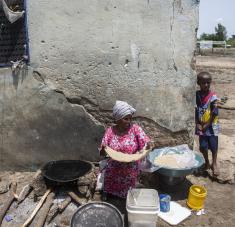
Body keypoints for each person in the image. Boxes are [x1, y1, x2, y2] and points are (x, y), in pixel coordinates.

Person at [99, 100, 152, 198]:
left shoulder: (135, 129)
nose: (129, 122)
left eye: (130, 119)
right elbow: (103, 152)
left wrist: (147, 145)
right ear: (117, 119)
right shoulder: (110, 131)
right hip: (114, 165)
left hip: (130, 166)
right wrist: (103, 149)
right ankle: (108, 192)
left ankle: (127, 198)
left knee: (129, 184)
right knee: (110, 173)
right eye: (126, 119)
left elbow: (145, 142)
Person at [195, 72, 220, 176]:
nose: (206, 85)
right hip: (201, 126)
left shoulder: (213, 96)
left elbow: (215, 112)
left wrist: (207, 124)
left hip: (212, 126)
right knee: (202, 146)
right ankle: (207, 162)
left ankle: (214, 163)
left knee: (213, 145)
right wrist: (197, 123)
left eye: (208, 83)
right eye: (203, 83)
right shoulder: (196, 95)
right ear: (198, 83)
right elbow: (195, 110)